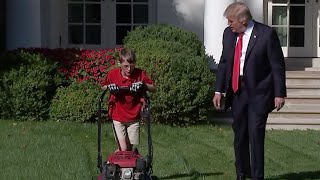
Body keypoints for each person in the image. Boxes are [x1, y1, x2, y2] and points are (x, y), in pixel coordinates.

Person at [212, 2, 286, 180]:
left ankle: (257, 176)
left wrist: (279, 93)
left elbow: (277, 66)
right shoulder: (228, 35)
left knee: (255, 134)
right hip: (237, 92)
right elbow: (224, 63)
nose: (229, 25)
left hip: (259, 93)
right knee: (240, 136)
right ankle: (242, 174)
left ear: (243, 21)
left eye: (231, 21)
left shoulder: (266, 35)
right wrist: (218, 90)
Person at [101, 47, 156, 152]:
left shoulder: (140, 74)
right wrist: (109, 87)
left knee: (129, 149)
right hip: (117, 115)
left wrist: (143, 85)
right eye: (125, 66)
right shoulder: (113, 75)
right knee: (123, 148)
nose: (129, 69)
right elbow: (103, 86)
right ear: (119, 63)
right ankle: (112, 164)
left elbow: (153, 88)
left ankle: (125, 168)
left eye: (132, 66)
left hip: (134, 116)